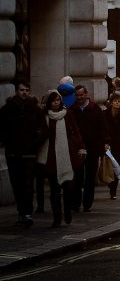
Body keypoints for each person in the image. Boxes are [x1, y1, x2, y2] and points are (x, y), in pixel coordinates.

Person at [0, 81, 48, 228]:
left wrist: (35, 143)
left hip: (29, 153)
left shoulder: (35, 109)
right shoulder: (7, 109)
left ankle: (27, 213)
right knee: (17, 184)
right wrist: (6, 141)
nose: (24, 92)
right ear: (16, 91)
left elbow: (44, 130)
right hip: (13, 153)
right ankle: (21, 212)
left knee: (27, 184)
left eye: (27, 90)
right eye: (22, 90)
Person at [37, 92, 85, 227]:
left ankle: (67, 211)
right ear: (49, 103)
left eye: (58, 100)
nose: (56, 103)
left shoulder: (68, 114)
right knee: (54, 190)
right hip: (51, 156)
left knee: (68, 187)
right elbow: (41, 134)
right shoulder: (45, 116)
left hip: (66, 154)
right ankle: (57, 218)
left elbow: (75, 132)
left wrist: (80, 147)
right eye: (53, 101)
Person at [70, 85, 110, 212]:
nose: (79, 97)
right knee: (77, 177)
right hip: (78, 148)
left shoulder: (95, 109)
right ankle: (76, 203)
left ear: (86, 94)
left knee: (90, 177)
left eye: (81, 95)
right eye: (77, 95)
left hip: (93, 147)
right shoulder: (73, 110)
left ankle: (87, 203)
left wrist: (105, 142)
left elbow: (103, 127)